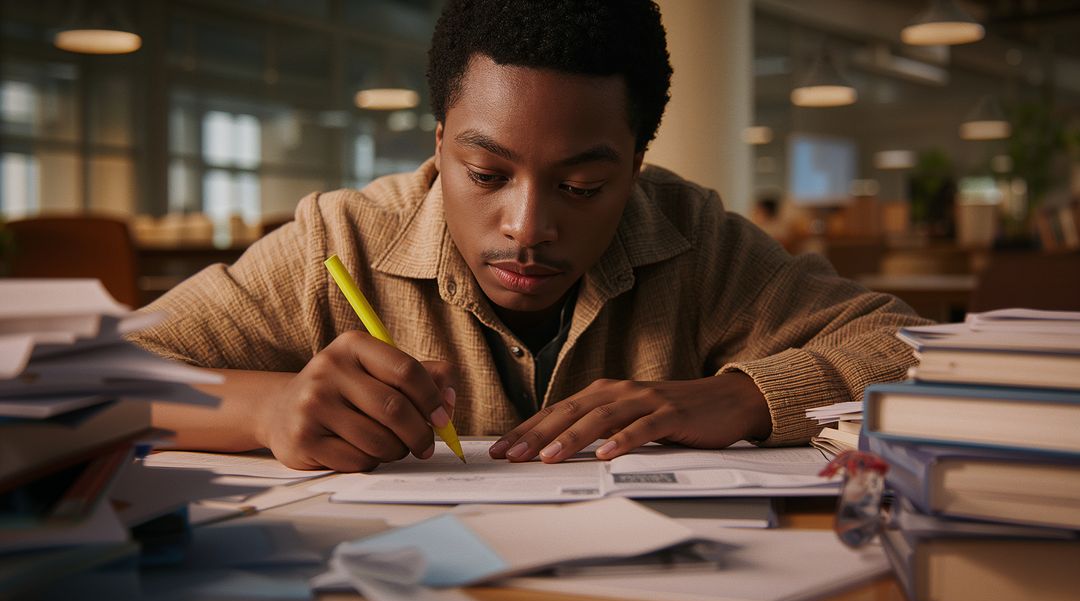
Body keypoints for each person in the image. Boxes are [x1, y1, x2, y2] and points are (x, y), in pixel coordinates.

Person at [130, 0, 927, 473]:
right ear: (440, 143)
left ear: (636, 165)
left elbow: (915, 352)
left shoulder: (696, 241)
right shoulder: (337, 242)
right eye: (485, 173)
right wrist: (267, 409)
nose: (528, 227)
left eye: (582, 188)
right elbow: (92, 384)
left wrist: (745, 396)